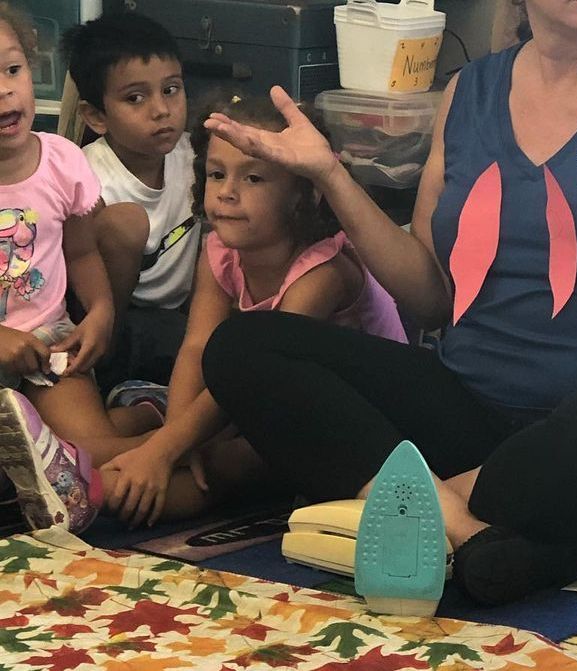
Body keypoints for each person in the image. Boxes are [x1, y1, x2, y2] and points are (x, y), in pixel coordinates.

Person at [201, 0, 577, 606]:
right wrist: (330, 175)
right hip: (484, 416)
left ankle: (402, 502)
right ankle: (470, 532)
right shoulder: (468, 93)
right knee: (244, 346)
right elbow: (431, 297)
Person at [5, 95, 407, 532]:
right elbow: (196, 346)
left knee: (220, 464)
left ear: (303, 194)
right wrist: (176, 440)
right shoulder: (220, 249)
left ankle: (86, 495)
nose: (227, 192)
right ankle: (56, 475)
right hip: (266, 401)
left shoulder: (323, 273)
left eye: (253, 178)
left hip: (361, 422)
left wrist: (165, 452)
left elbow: (257, 372)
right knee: (167, 437)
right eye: (216, 174)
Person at [0, 3, 161, 534]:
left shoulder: (63, 161)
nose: (5, 90)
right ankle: (149, 421)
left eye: (13, 70)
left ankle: (171, 438)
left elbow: (83, 253)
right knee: (41, 455)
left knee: (91, 449)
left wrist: (101, 310)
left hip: (49, 344)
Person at [60, 13, 199, 393]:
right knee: (126, 221)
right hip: (109, 321)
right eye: (135, 98)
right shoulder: (85, 175)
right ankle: (104, 370)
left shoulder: (195, 157)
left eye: (171, 89)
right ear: (96, 117)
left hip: (181, 314)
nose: (160, 109)